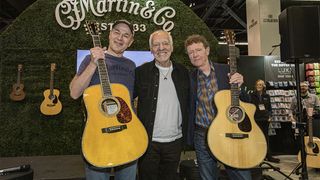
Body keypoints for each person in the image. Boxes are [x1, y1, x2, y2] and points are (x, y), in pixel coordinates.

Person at [69, 19, 137, 180]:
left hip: (127, 134)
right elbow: (74, 93)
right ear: (109, 34)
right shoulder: (89, 59)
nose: (120, 38)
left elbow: (133, 100)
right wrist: (93, 64)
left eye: (126, 35)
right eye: (117, 32)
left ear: (131, 42)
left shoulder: (132, 66)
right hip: (98, 134)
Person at [185, 34, 252, 180]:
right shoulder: (189, 78)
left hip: (229, 131)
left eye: (198, 50)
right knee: (208, 177)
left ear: (207, 50)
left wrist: (241, 87)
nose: (195, 55)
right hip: (202, 134)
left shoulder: (226, 71)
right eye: (191, 52)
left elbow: (246, 102)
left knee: (241, 175)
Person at [134, 30, 190, 180]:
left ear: (171, 47)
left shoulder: (183, 72)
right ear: (151, 49)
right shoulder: (141, 72)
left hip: (175, 142)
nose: (161, 48)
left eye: (165, 43)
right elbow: (124, 99)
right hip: (148, 142)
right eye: (156, 45)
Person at [249, 79, 280, 163]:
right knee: (256, 138)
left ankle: (268, 155)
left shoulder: (267, 96)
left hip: (265, 120)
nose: (260, 86)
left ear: (263, 86)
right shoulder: (251, 95)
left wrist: (270, 116)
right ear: (255, 85)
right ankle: (257, 156)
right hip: (255, 120)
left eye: (261, 85)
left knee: (266, 137)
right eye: (258, 84)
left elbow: (269, 108)